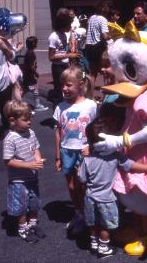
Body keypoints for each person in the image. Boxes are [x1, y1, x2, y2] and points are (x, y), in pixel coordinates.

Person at [79, 114, 147, 258]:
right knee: (105, 226)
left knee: (93, 223)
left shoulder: (87, 160)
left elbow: (82, 178)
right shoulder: (116, 157)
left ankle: (94, 243)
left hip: (89, 198)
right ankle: (104, 247)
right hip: (106, 199)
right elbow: (132, 166)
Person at [53, 66, 97, 232]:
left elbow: (96, 130)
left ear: (80, 85)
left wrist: (92, 147)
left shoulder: (91, 105)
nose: (64, 88)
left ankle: (89, 215)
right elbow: (58, 132)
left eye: (69, 85)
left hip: (84, 152)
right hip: (66, 151)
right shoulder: (60, 107)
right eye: (62, 84)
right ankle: (79, 213)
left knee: (84, 186)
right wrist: (57, 156)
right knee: (72, 187)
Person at [3, 100, 46, 243]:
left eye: (30, 118)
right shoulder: (10, 139)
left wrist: (38, 159)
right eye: (25, 119)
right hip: (18, 180)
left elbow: (35, 148)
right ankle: (23, 228)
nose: (29, 122)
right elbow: (8, 161)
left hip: (32, 177)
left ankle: (32, 224)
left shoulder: (31, 133)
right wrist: (29, 165)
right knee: (21, 205)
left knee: (33, 202)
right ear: (12, 120)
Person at [48, 8, 81, 108]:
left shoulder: (63, 35)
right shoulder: (53, 37)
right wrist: (68, 55)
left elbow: (62, 51)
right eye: (69, 24)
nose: (70, 26)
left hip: (65, 65)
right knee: (58, 91)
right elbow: (51, 56)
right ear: (63, 25)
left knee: (66, 90)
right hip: (58, 68)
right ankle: (56, 117)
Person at [84, 2, 110, 88]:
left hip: (89, 47)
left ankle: (89, 93)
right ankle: (107, 93)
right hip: (98, 47)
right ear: (103, 9)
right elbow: (104, 36)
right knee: (105, 71)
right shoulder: (103, 19)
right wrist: (113, 35)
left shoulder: (91, 18)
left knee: (92, 73)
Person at [23, 36, 48, 112]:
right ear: (33, 44)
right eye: (36, 42)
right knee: (32, 89)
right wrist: (36, 73)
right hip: (30, 74)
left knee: (26, 89)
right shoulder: (31, 53)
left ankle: (17, 101)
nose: (37, 44)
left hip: (28, 74)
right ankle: (37, 105)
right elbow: (31, 66)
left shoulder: (29, 52)